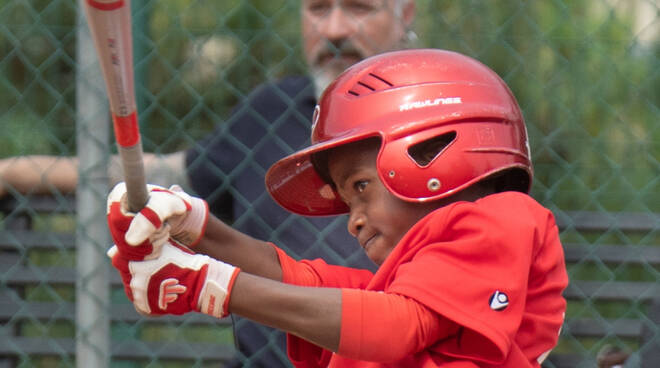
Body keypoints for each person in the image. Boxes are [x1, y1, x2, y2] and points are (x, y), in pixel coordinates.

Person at [0, 1, 417, 365]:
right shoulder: (270, 112)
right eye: (318, 8)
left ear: (406, 14)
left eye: (360, 7)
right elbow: (167, 175)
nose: (334, 29)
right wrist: (11, 172)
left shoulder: (441, 122)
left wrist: (212, 285)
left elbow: (390, 320)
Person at [106, 49, 569, 367]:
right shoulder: (410, 284)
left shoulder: (502, 219)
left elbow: (398, 326)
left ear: (432, 155)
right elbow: (302, 280)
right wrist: (195, 228)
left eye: (361, 186)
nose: (353, 222)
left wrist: (212, 286)